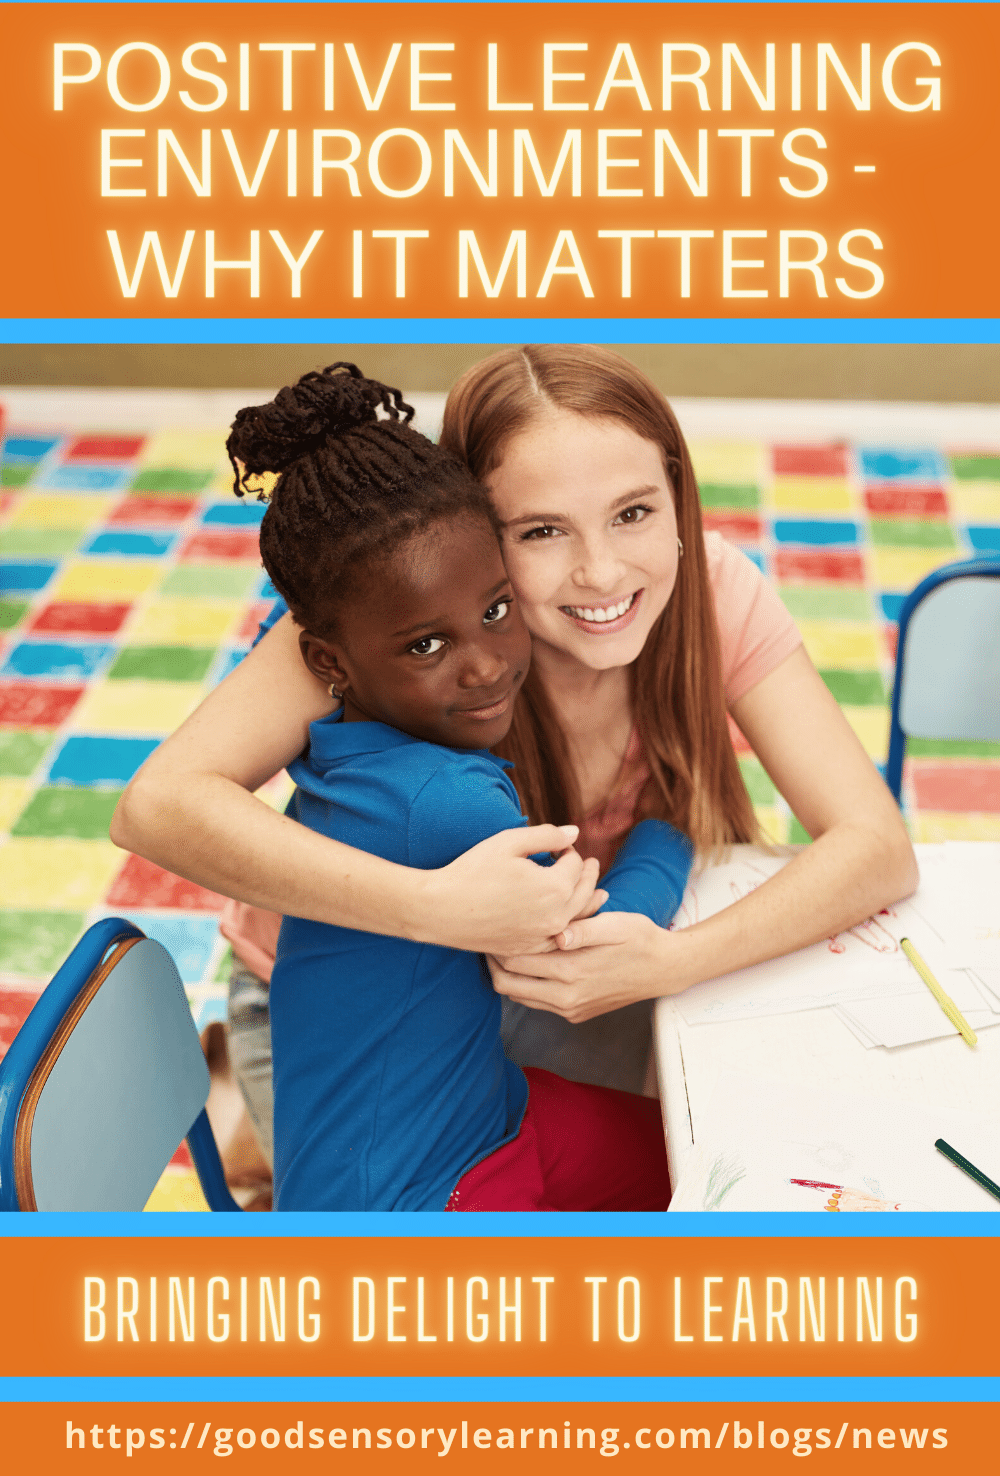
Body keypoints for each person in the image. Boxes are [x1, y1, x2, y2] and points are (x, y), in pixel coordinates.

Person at [111, 345, 917, 1156]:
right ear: (469, 532)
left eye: (634, 512)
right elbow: (157, 806)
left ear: (678, 496)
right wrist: (430, 908)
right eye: (540, 531)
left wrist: (675, 962)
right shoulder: (398, 613)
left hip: (540, 984)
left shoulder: (713, 591)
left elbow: (877, 845)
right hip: (351, 1029)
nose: (602, 573)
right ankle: (240, 1106)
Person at [222, 362, 690, 1210]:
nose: (486, 667)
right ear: (329, 663)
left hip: (489, 1106)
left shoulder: (347, 750)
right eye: (425, 647)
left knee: (699, 1154)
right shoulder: (448, 804)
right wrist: (671, 827)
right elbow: (602, 932)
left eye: (497, 612)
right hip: (418, 1195)